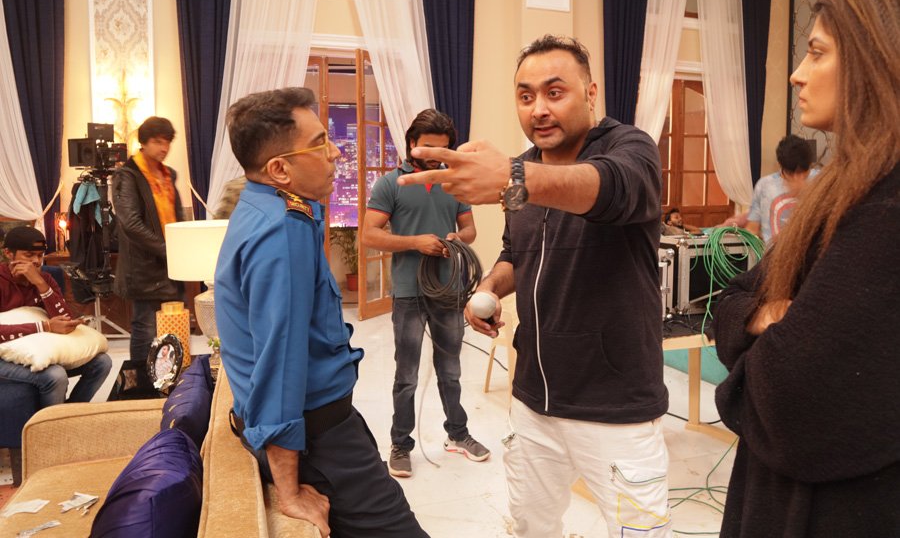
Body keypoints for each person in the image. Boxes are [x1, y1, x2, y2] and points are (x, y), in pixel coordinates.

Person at [398, 35, 671, 537]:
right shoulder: (525, 170)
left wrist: (512, 175)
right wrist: (489, 289)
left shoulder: (630, 149)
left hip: (616, 407)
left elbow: (612, 187)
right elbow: (516, 253)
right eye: (526, 96)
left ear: (591, 92)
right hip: (534, 401)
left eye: (554, 92)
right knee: (531, 526)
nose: (539, 109)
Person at [712, 0, 900, 537]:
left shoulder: (885, 208)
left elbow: (788, 397)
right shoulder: (841, 190)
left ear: (875, 59)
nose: (797, 73)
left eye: (816, 53)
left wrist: (754, 339)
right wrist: (763, 316)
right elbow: (729, 303)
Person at [214, 87, 428, 538]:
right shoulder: (281, 231)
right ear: (280, 169)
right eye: (319, 143)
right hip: (319, 439)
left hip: (327, 424)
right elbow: (280, 365)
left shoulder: (266, 205)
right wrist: (289, 489)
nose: (335, 152)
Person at [361, 108, 488, 479]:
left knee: (451, 370)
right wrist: (414, 242)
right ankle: (401, 444)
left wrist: (457, 238)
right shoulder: (391, 184)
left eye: (442, 149)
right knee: (408, 375)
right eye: (427, 147)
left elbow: (470, 230)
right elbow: (369, 235)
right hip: (409, 293)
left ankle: (458, 435)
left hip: (449, 290)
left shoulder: (454, 184)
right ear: (412, 144)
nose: (434, 155)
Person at [0, 226, 112, 407]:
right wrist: (45, 327)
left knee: (102, 363)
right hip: (3, 357)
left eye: (40, 255)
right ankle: (49, 422)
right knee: (55, 375)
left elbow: (65, 318)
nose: (36, 261)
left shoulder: (45, 279)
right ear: (8, 254)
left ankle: (67, 414)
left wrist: (40, 284)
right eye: (29, 255)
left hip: (37, 352)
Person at [112, 116, 185, 364]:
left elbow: (176, 215)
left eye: (167, 142)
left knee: (173, 325)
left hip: (171, 262)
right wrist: (167, 250)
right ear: (143, 142)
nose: (164, 148)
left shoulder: (169, 174)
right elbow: (131, 224)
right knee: (145, 329)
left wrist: (180, 249)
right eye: (158, 142)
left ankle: (170, 376)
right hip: (143, 266)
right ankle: (143, 381)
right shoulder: (127, 175)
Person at [746, 134, 817, 243]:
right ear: (780, 165)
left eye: (803, 173)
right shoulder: (764, 185)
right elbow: (752, 229)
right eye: (791, 173)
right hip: (773, 252)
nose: (797, 179)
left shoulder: (821, 180)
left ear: (810, 165)